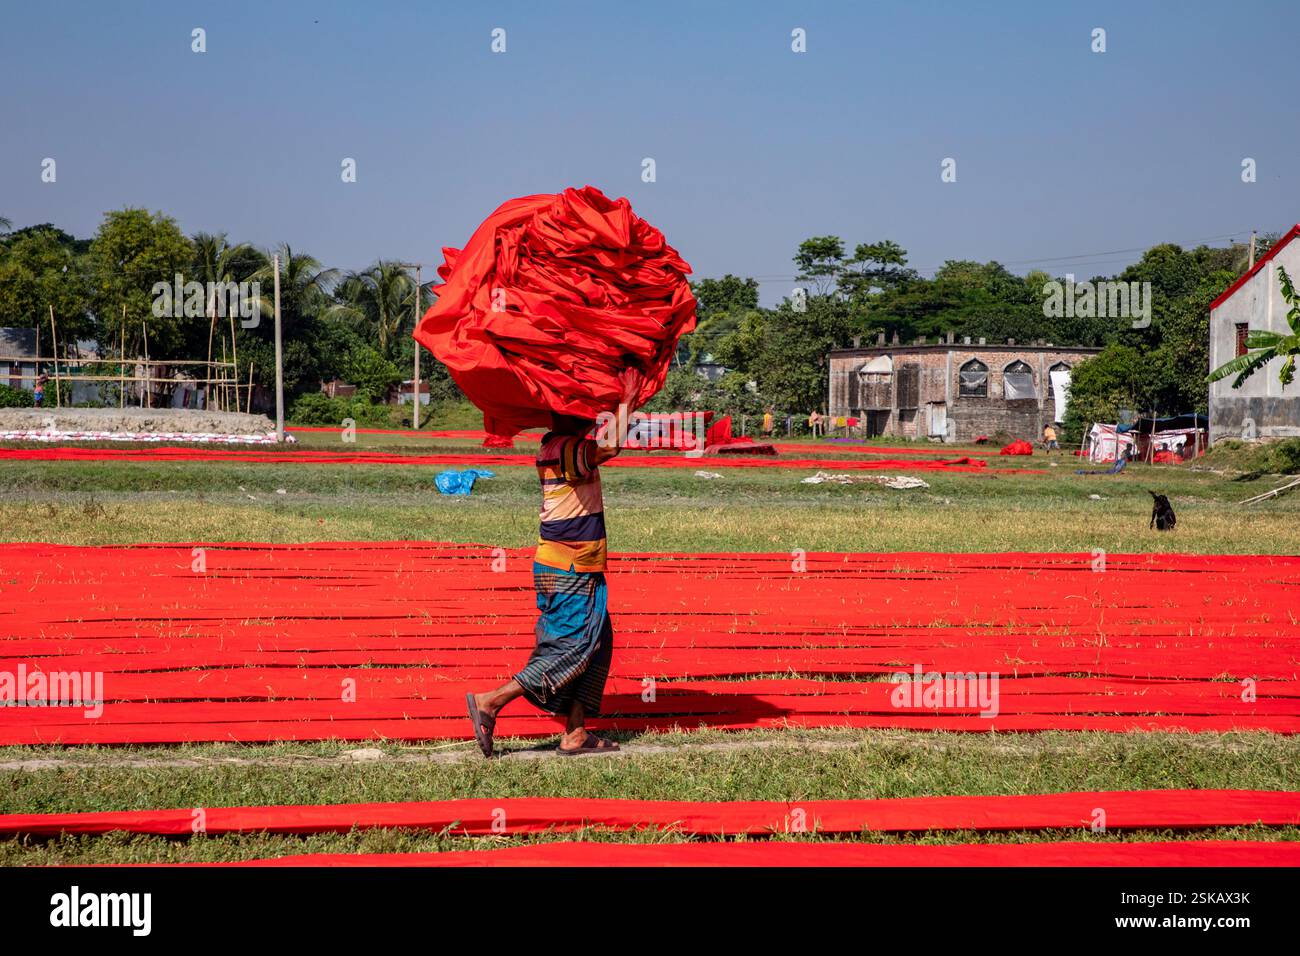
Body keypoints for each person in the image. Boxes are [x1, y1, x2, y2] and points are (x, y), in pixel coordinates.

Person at [465, 368, 642, 758]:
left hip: (574, 566)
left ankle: (576, 733)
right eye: (584, 411)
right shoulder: (565, 447)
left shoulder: (556, 444)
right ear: (567, 415)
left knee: (596, 645)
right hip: (569, 569)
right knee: (571, 646)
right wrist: (626, 401)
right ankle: (490, 701)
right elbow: (609, 449)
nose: (590, 418)